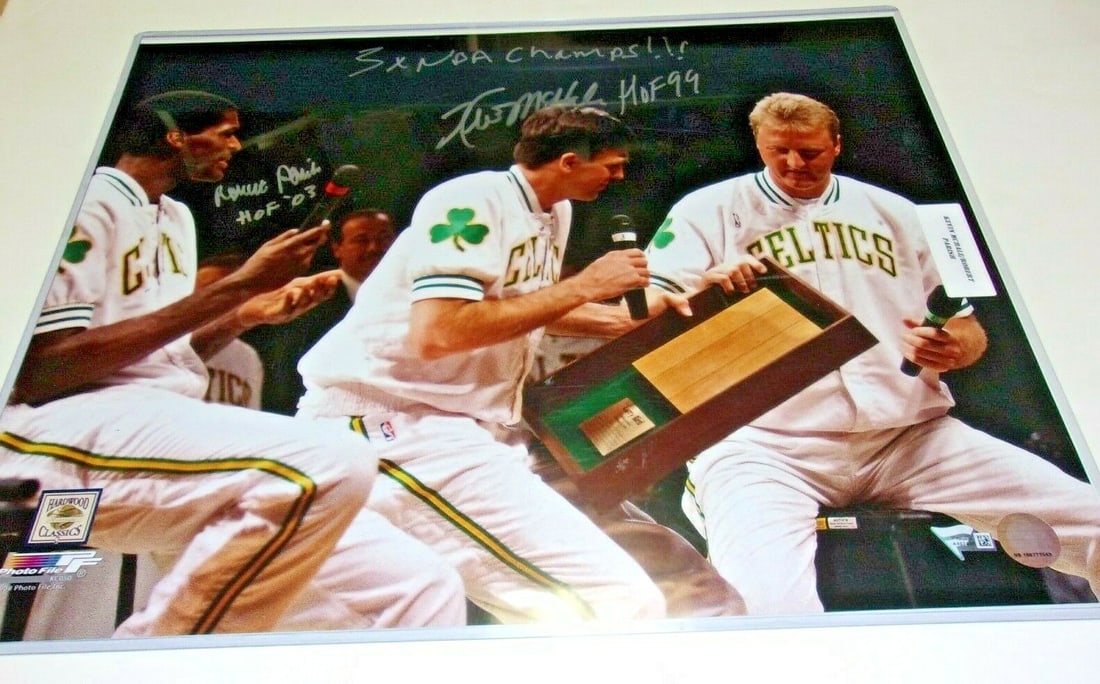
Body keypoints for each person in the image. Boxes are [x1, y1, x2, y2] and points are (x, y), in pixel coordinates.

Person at [0, 89, 464, 637]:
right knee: (331, 460)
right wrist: (236, 289)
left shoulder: (174, 217)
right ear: (176, 135)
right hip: (49, 444)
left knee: (422, 587)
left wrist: (244, 316)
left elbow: (156, 359)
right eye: (225, 131)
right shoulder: (86, 200)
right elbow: (40, 370)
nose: (236, 145)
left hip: (149, 442)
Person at [642, 91, 1100, 615]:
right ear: (759, 144)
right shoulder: (709, 210)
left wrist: (954, 347)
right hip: (764, 446)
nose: (793, 164)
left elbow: (967, 325)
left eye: (809, 152)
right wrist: (705, 289)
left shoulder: (895, 212)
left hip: (909, 439)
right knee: (763, 605)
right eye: (778, 151)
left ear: (836, 145)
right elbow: (648, 306)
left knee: (1092, 520)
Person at [296, 105, 692, 623]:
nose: (620, 177)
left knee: (673, 580)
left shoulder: (556, 210)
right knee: (615, 602)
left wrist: (619, 317)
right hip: (397, 424)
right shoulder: (470, 199)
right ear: (570, 161)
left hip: (474, 430)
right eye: (612, 165)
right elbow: (438, 333)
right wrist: (586, 285)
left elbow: (521, 308)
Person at [247, 208, 396, 415]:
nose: (374, 248)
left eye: (384, 238)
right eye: (361, 240)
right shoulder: (307, 298)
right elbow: (284, 374)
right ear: (337, 248)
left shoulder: (417, 296)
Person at [196, 251, 265, 409]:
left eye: (225, 292)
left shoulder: (248, 356)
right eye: (207, 291)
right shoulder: (168, 347)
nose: (215, 300)